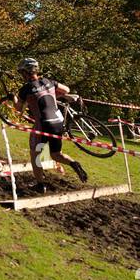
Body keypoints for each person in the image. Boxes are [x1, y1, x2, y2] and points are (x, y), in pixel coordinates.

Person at [14, 58, 88, 189]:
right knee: (56, 154)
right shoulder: (48, 81)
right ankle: (74, 163)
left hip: (43, 126)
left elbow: (18, 108)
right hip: (58, 124)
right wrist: (57, 95)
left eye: (22, 73)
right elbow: (66, 89)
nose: (22, 75)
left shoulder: (25, 89)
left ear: (26, 72)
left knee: (35, 154)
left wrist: (12, 98)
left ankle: (40, 184)